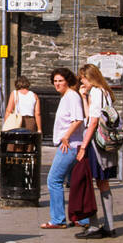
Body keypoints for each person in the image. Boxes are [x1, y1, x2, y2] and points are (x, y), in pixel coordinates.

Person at [70, 65, 118, 238]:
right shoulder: (105, 92)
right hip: (106, 142)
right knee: (103, 183)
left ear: (89, 77)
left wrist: (83, 146)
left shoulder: (97, 92)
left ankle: (94, 225)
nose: (81, 81)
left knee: (86, 182)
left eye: (82, 78)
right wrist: (84, 97)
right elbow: (90, 115)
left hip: (95, 144)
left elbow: (93, 121)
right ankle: (109, 225)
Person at [42, 67, 85, 229]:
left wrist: (66, 136)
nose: (57, 84)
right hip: (70, 144)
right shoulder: (67, 96)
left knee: (53, 180)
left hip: (69, 145)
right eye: (55, 81)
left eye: (60, 81)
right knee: (75, 181)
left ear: (67, 81)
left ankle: (58, 219)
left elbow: (78, 119)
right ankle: (82, 218)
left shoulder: (71, 96)